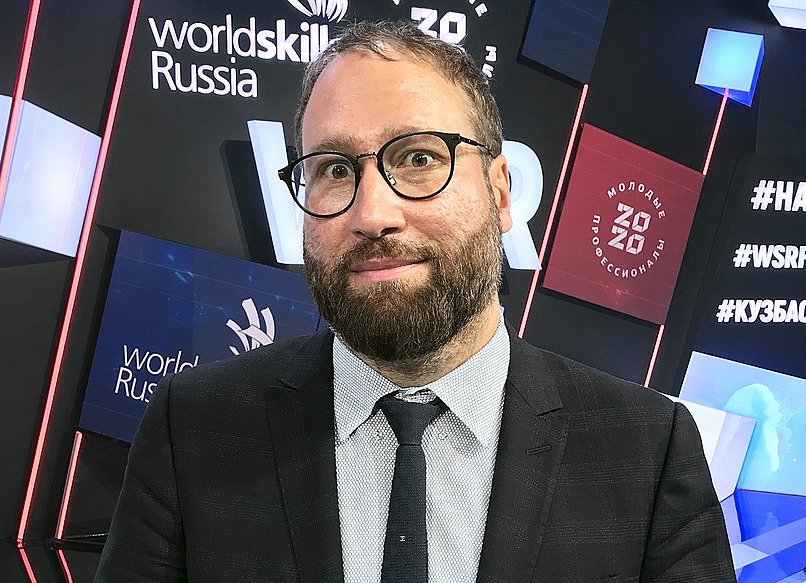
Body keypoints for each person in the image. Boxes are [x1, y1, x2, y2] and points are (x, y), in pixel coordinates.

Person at [95, 20, 736, 583]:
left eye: (420, 158)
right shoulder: (193, 429)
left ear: (501, 193)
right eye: (334, 169)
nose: (373, 214)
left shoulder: (647, 450)